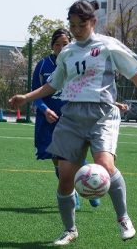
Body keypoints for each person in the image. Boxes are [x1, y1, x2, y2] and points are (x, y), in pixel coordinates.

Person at [9, 0, 137, 245]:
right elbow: (53, 84)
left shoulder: (108, 45)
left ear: (93, 22)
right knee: (66, 176)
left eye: (80, 25)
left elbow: (133, 74)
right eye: (72, 26)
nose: (76, 31)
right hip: (72, 116)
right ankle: (70, 230)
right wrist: (27, 97)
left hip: (102, 113)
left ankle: (123, 218)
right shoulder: (67, 53)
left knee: (105, 165)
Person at [32, 28, 100, 209]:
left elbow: (89, 88)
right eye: (57, 44)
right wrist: (45, 110)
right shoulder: (42, 65)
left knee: (75, 158)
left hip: (72, 119)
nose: (61, 48)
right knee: (58, 161)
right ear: (52, 46)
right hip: (48, 122)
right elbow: (35, 94)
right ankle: (73, 194)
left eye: (65, 44)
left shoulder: (78, 62)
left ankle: (93, 185)